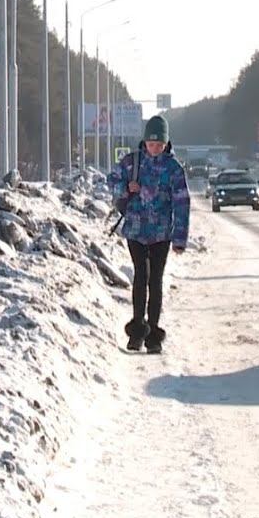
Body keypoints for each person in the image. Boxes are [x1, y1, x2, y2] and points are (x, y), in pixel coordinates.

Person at [108, 115, 190, 354]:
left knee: (156, 280)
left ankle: (153, 333)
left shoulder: (173, 169)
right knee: (140, 277)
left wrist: (180, 238)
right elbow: (111, 180)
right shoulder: (132, 162)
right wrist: (125, 187)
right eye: (151, 144)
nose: (154, 149)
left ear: (166, 144)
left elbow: (182, 203)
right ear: (144, 141)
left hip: (162, 234)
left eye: (159, 145)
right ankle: (136, 331)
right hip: (135, 230)